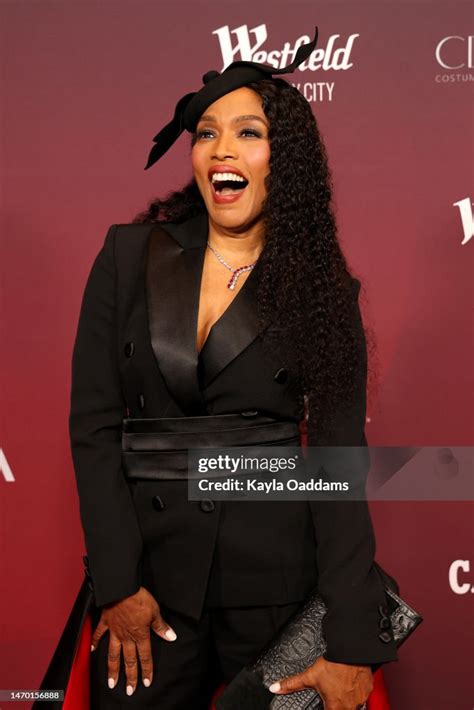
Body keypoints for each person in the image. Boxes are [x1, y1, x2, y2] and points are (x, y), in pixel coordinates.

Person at [68, 28, 398, 709]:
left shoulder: (321, 288)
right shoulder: (128, 256)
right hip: (149, 589)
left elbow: (339, 463)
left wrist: (350, 638)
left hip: (276, 587)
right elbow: (95, 425)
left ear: (285, 159)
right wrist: (117, 583)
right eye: (207, 133)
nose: (222, 149)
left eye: (248, 133)